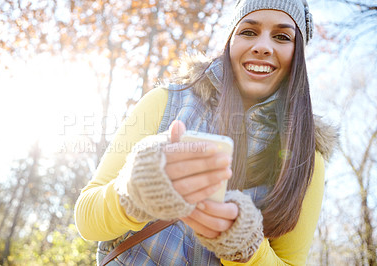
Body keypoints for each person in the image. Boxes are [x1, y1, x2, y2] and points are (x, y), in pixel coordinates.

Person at [75, 0, 337, 264]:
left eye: (282, 37)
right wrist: (134, 193)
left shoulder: (306, 157)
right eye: (248, 32)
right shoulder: (166, 102)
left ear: (298, 54)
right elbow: (87, 220)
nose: (262, 46)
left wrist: (245, 246)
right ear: (230, 42)